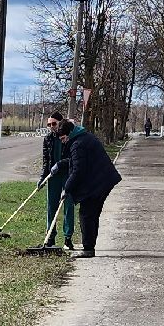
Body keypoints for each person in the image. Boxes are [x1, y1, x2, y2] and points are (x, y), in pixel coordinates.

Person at [45, 110, 122, 258]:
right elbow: (76, 161)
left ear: (68, 134)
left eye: (63, 139)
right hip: (102, 180)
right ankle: (89, 246)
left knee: (86, 214)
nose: (62, 142)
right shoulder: (82, 138)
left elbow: (78, 170)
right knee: (91, 214)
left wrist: (66, 189)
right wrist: (60, 164)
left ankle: (88, 249)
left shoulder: (77, 144)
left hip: (99, 182)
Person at [39, 116, 79, 250]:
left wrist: (61, 164)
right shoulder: (48, 139)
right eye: (49, 125)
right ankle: (50, 237)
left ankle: (68, 238)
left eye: (54, 124)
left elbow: (72, 158)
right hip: (54, 176)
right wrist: (43, 177)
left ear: (60, 123)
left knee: (68, 206)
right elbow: (46, 161)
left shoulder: (67, 137)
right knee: (52, 206)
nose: (51, 127)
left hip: (68, 175)